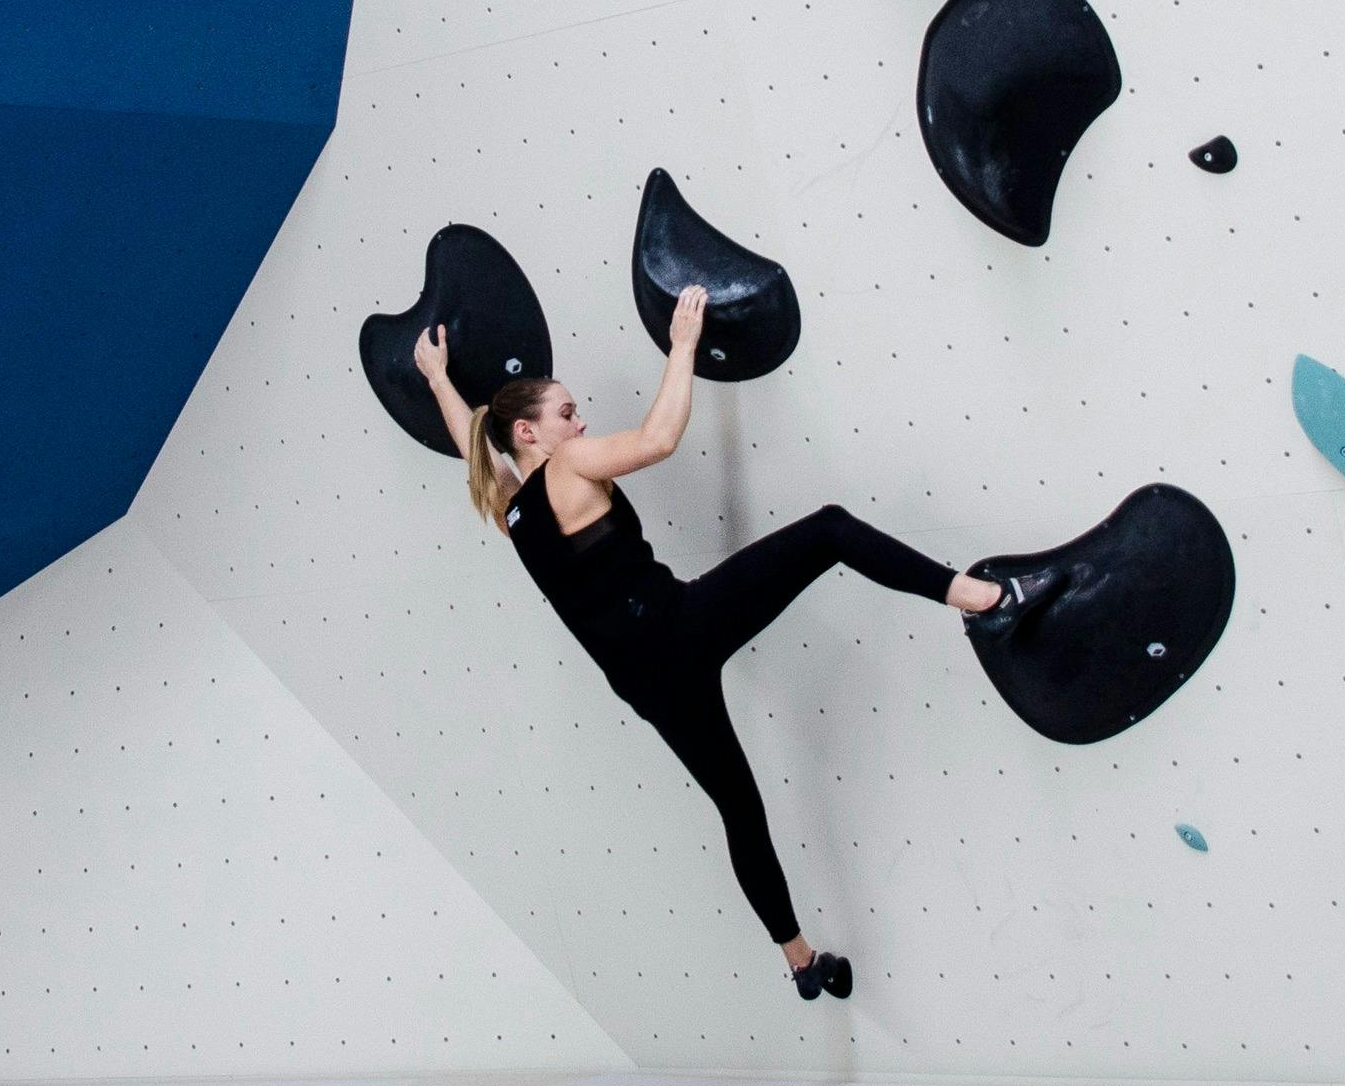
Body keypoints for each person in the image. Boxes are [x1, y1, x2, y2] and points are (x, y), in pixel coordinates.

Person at [414, 288, 1045, 1002]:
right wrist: (682, 345)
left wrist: (440, 379)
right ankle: (984, 600)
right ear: (529, 433)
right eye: (565, 412)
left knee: (740, 810)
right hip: (679, 627)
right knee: (830, 530)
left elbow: (479, 451)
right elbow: (655, 441)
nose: (580, 419)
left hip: (650, 687)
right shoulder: (570, 465)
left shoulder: (516, 511)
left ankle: (802, 962)